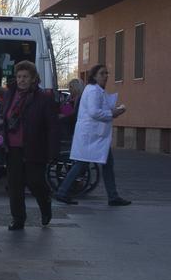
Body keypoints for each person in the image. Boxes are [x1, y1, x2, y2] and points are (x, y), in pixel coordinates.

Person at [55, 64, 131, 206]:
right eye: (102, 73)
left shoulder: (96, 90)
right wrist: (113, 113)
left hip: (96, 136)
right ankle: (63, 191)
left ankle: (113, 196)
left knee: (105, 164)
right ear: (94, 76)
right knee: (82, 163)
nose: (106, 76)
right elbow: (94, 112)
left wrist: (113, 110)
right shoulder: (93, 91)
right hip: (92, 136)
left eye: (106, 73)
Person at [0, 61, 59, 230]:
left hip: (35, 146)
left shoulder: (43, 98)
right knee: (15, 185)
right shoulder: (10, 94)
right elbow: (5, 114)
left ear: (33, 79)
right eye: (19, 77)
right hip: (12, 147)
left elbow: (52, 126)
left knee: (35, 181)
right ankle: (18, 219)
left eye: (25, 77)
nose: (21, 80)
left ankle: (45, 204)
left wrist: (53, 150)